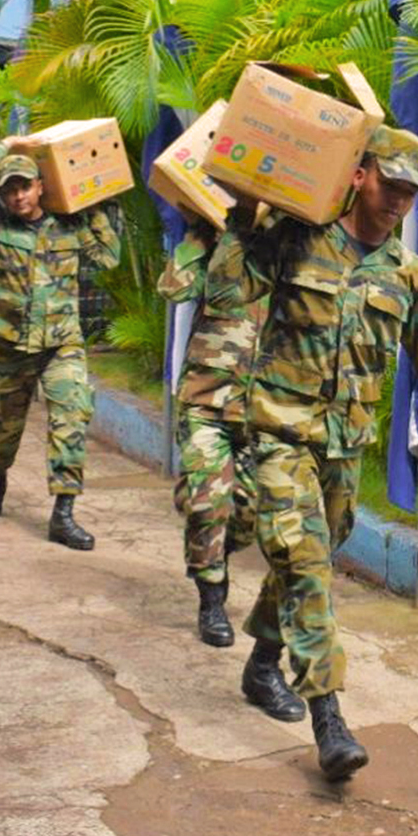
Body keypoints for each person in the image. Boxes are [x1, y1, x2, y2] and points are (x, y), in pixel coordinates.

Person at [205, 125, 418, 782]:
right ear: (359, 174)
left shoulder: (405, 272)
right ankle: (328, 718)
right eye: (390, 182)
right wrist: (241, 220)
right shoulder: (296, 238)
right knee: (307, 565)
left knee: (309, 556)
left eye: (409, 190)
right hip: (280, 434)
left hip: (344, 449)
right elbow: (226, 293)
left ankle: (260, 668)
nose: (399, 199)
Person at [0, 137, 123, 550]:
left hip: (60, 344)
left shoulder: (68, 225)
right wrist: (9, 144)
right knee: (2, 425)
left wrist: (92, 199)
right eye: (9, 189)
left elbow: (108, 257)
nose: (18, 196)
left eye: (25, 186)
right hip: (9, 344)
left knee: (71, 421)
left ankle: (63, 514)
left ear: (40, 186)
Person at [157, 219, 268, 650]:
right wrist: (198, 236)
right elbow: (173, 288)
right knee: (209, 503)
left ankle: (215, 550)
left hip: (265, 409)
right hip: (207, 399)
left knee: (250, 513)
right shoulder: (211, 243)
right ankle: (212, 599)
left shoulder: (288, 245)